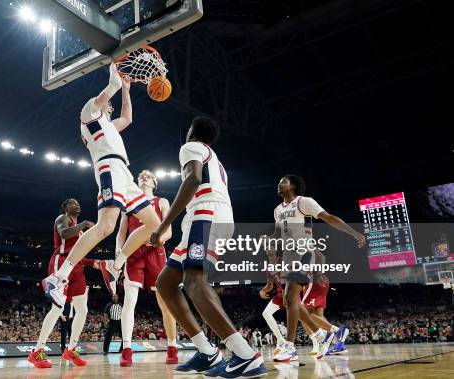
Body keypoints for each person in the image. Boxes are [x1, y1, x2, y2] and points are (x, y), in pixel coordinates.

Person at [151, 116, 267, 378]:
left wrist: (162, 226)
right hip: (207, 216)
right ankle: (207, 352)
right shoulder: (212, 156)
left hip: (207, 215)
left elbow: (192, 180)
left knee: (195, 282)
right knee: (166, 284)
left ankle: (245, 354)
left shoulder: (190, 147)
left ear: (192, 132)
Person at [44, 64, 161, 307]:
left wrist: (127, 89)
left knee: (154, 225)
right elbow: (111, 88)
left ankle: (114, 266)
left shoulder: (108, 124)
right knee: (106, 227)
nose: (110, 103)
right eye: (107, 102)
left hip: (124, 174)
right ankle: (58, 277)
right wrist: (115, 67)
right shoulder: (89, 113)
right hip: (108, 168)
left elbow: (127, 118)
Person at [271, 174, 366, 362]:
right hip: (289, 255)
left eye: (284, 181)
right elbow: (278, 233)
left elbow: (329, 217)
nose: (279, 184)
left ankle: (289, 347)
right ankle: (321, 335)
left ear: (294, 186)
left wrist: (354, 233)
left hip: (304, 253)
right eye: (279, 182)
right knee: (293, 302)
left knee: (290, 298)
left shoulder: (303, 202)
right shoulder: (277, 210)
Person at [28, 199, 101, 369]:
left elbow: (79, 253)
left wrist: (93, 263)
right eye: (72, 203)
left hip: (77, 267)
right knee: (57, 309)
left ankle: (72, 349)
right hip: (61, 263)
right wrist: (83, 224)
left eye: (78, 202)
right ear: (65, 207)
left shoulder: (79, 231)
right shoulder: (62, 218)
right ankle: (37, 351)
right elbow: (64, 234)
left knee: (82, 309)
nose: (76, 204)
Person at [115, 169, 178, 366]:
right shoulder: (129, 202)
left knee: (165, 303)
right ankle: (126, 349)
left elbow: (168, 230)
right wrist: (119, 249)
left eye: (148, 176)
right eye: (141, 175)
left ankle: (172, 346)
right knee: (129, 300)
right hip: (133, 252)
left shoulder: (162, 202)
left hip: (155, 252)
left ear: (154, 183)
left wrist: (160, 240)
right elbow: (121, 232)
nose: (143, 177)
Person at [301, 251, 349, 355]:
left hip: (314, 283)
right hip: (320, 282)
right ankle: (337, 342)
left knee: (304, 314)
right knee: (318, 315)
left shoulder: (309, 257)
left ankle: (336, 332)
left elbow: (322, 257)